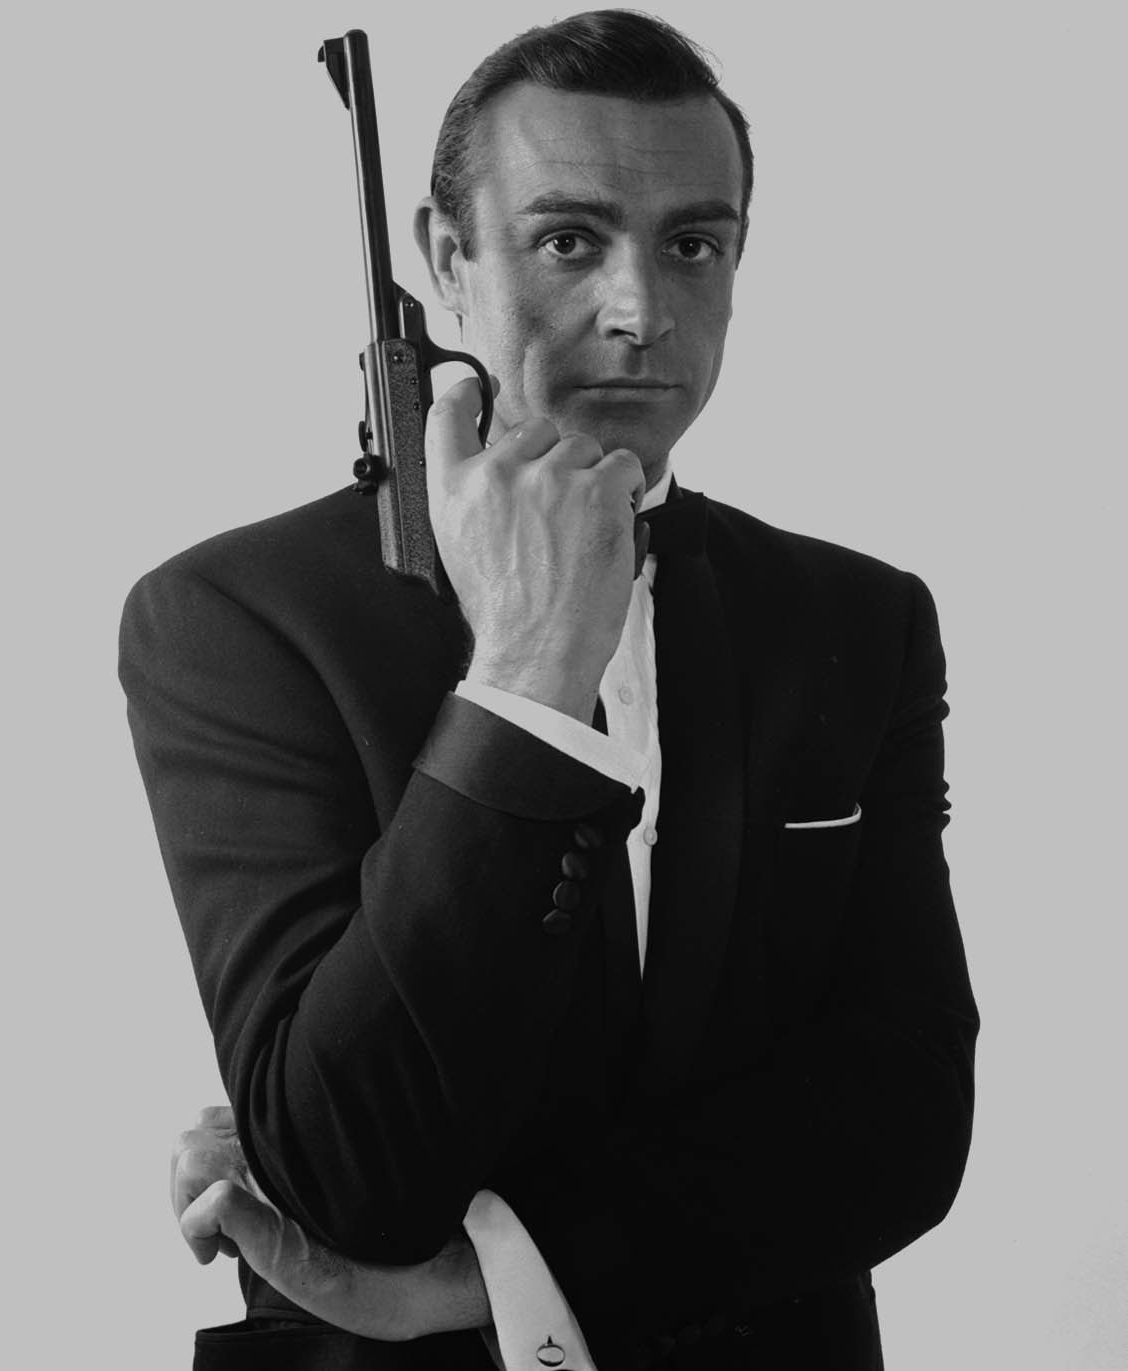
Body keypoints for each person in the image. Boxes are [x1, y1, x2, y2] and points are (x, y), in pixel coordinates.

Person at [118, 12, 977, 1370]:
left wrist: (489, 1274)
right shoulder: (230, 620)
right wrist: (524, 677)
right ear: (446, 260)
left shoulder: (858, 619)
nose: (641, 312)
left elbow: (905, 1117)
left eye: (693, 245)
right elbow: (347, 1172)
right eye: (569, 241)